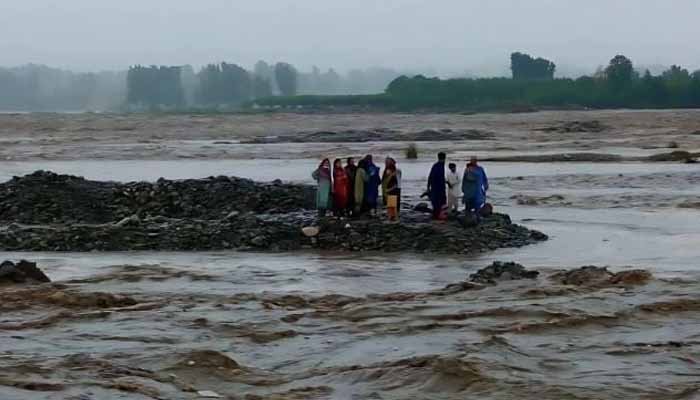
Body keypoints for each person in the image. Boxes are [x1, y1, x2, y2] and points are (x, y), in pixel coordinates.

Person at [427, 152, 447, 220]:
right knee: (439, 203)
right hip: (438, 188)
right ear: (444, 158)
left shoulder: (436, 166)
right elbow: (432, 177)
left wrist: (428, 186)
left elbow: (430, 176)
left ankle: (438, 215)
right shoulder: (439, 166)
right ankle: (437, 216)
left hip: (437, 188)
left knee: (438, 203)